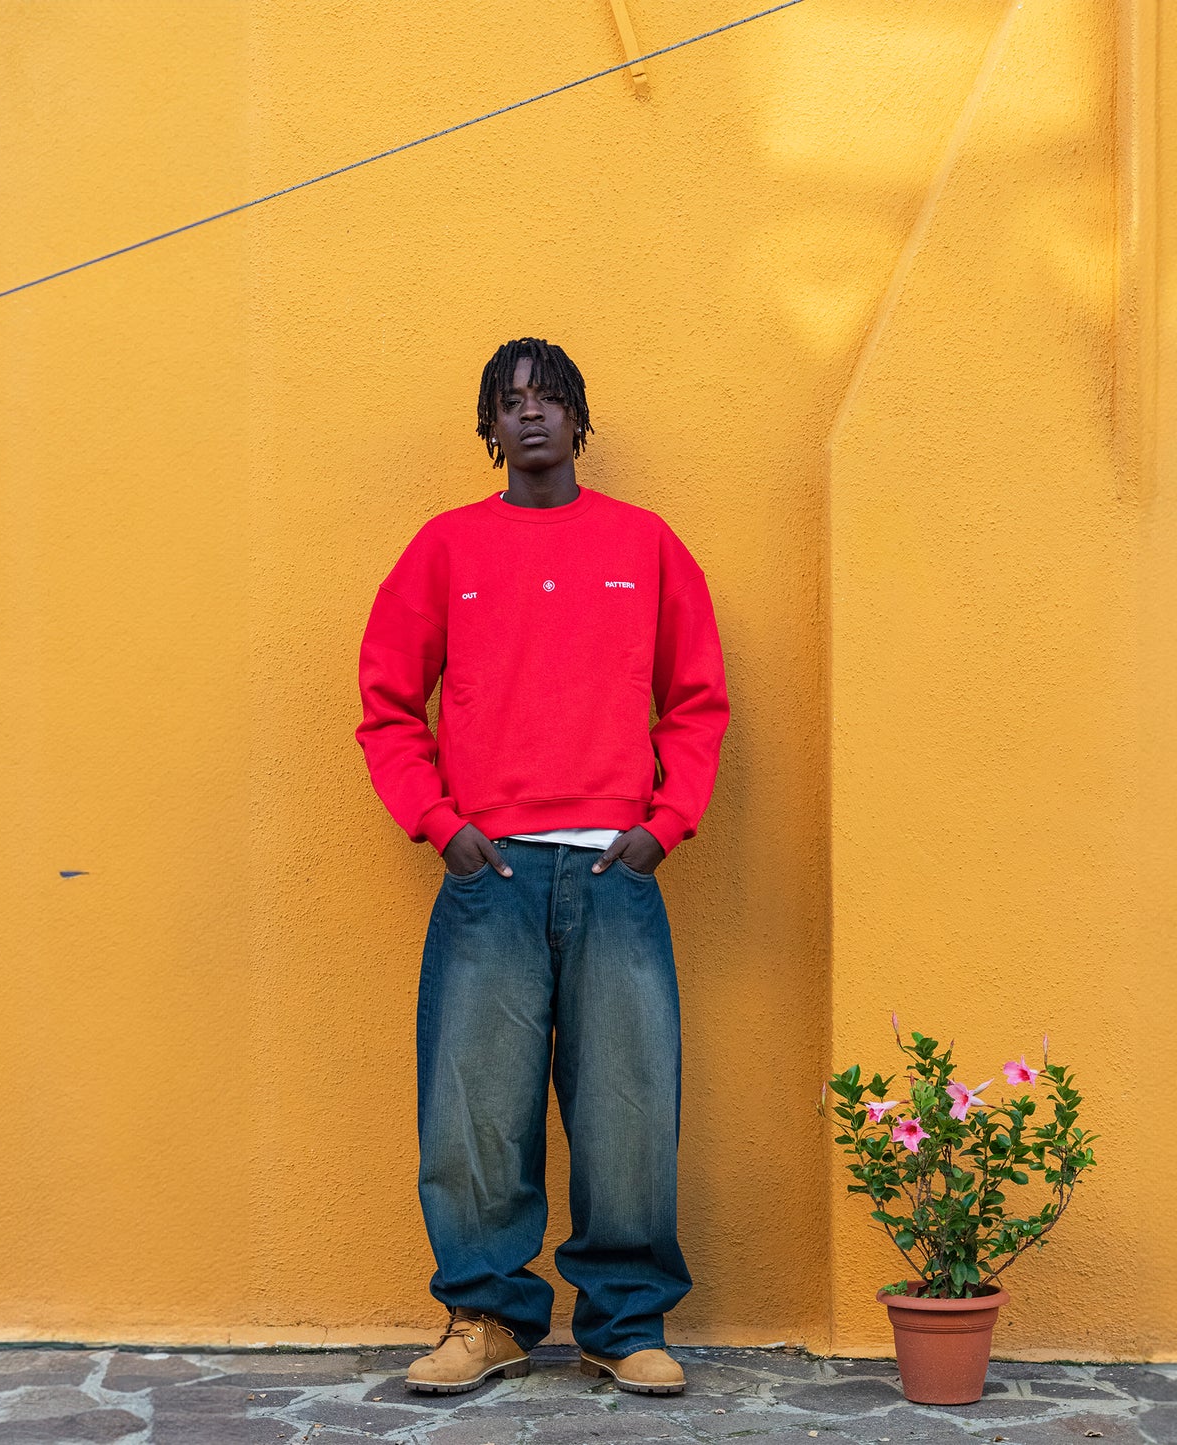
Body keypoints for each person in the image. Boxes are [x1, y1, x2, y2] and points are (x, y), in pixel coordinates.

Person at [355, 337, 730, 1398]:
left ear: (578, 420)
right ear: (488, 428)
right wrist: (438, 822)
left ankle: (623, 1321)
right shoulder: (443, 550)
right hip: (492, 877)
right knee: (474, 1108)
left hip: (615, 871)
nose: (529, 417)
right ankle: (487, 1318)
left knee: (627, 1103)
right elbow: (387, 704)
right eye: (509, 403)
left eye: (548, 399)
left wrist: (664, 824)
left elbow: (697, 701)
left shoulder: (644, 545)